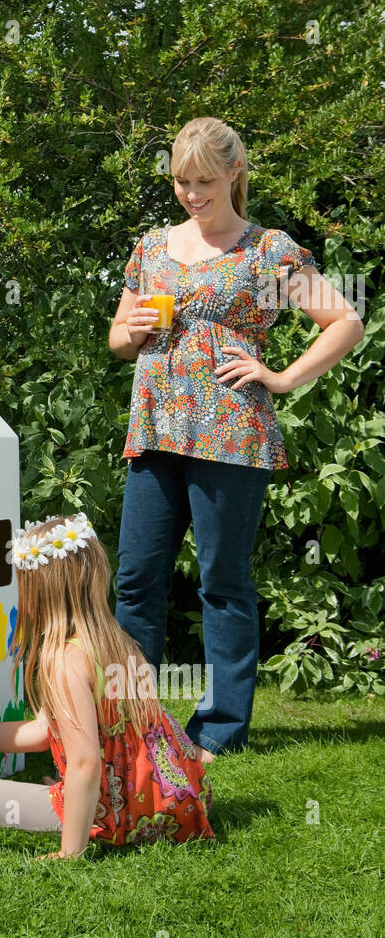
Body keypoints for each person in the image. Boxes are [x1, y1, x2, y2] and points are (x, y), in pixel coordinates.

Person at [109, 117, 365, 762]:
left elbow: (344, 321)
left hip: (230, 430)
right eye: (180, 182)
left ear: (233, 175)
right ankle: (131, 720)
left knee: (222, 581)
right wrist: (132, 329)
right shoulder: (152, 247)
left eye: (203, 181)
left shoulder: (268, 250)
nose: (192, 195)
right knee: (136, 580)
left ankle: (221, 727)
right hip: (156, 426)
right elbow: (116, 341)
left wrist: (280, 377)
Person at [0, 514, 214, 859]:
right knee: (69, 784)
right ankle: (78, 797)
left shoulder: (64, 660)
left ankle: (76, 807)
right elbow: (45, 732)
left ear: (38, 591)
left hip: (121, 817)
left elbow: (85, 764)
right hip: (175, 800)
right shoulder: (115, 642)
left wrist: (69, 852)